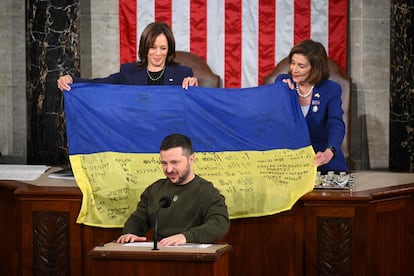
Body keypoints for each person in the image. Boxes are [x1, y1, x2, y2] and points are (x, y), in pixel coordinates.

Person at [116, 133, 230, 246]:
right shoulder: (154, 190)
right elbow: (138, 219)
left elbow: (219, 224)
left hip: (193, 257)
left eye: (174, 162)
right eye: (164, 163)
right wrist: (130, 233)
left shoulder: (208, 192)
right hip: (159, 255)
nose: (169, 169)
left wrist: (186, 237)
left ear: (191, 159)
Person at [274, 39, 348, 173]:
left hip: (321, 158)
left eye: (301, 66)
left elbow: (336, 123)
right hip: (290, 161)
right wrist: (281, 91)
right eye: (292, 63)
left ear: (315, 68)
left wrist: (330, 151)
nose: (294, 70)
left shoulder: (330, 89)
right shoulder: (283, 82)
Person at [57, 22, 198, 91]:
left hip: (171, 133)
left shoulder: (183, 74)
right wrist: (72, 80)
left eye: (163, 48)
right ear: (144, 47)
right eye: (152, 47)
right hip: (136, 134)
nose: (158, 53)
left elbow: (196, 107)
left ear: (169, 49)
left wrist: (194, 88)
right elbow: (101, 83)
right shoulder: (128, 71)